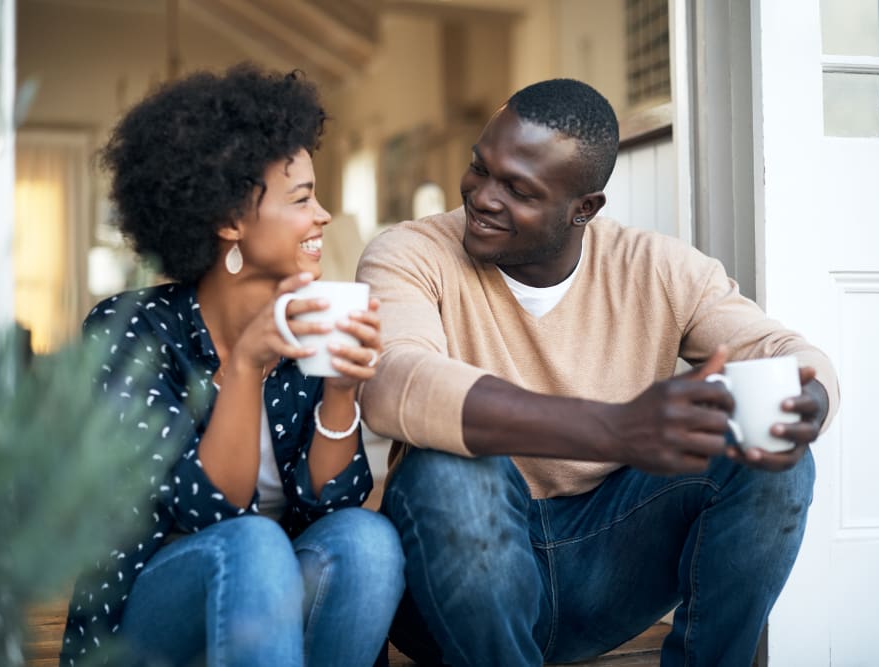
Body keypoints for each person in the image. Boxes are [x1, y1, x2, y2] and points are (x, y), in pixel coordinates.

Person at [355, 78, 839, 666]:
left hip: (605, 572)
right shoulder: (408, 253)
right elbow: (395, 383)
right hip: (454, 588)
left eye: (518, 189)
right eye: (480, 169)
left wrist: (806, 400)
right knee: (448, 468)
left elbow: (785, 351)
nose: (481, 197)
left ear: (584, 208)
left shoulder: (659, 268)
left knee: (771, 457)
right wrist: (615, 428)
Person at [60, 64, 404, 666]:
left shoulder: (309, 323)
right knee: (250, 545)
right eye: (302, 199)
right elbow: (207, 511)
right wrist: (245, 366)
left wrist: (341, 391)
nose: (323, 215)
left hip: (271, 626)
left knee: (368, 540)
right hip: (151, 626)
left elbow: (330, 506)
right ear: (227, 221)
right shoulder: (134, 333)